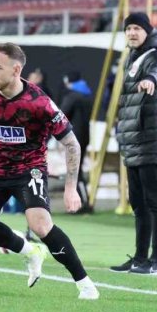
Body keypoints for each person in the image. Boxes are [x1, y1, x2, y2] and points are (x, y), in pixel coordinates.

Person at [0, 42, 99, 300]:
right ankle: (30, 251)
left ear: (16, 69)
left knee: (40, 224)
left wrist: (70, 187)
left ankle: (85, 284)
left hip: (29, 170)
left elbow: (72, 143)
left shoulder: (39, 102)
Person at [110, 12, 157, 276]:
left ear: (148, 31)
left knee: (155, 203)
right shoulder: (133, 57)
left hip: (151, 140)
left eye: (137, 28)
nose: (132, 33)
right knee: (138, 203)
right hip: (134, 141)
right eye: (128, 29)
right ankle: (139, 258)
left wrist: (151, 80)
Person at [60, 71, 93, 210]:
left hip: (73, 138)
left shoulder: (72, 96)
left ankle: (83, 204)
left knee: (75, 172)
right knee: (77, 170)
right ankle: (83, 202)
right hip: (85, 136)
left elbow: (61, 114)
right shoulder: (88, 95)